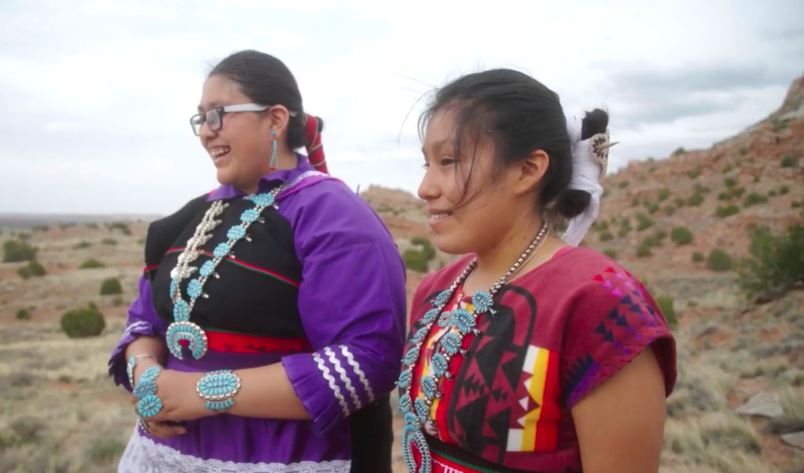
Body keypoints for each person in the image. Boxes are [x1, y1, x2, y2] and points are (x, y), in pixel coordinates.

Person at [108, 50, 406, 473]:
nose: (207, 133)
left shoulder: (332, 214)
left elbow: (366, 361)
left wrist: (204, 392)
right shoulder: (184, 220)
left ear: (276, 119)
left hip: (284, 456)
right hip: (163, 456)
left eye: (218, 114)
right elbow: (143, 322)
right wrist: (146, 375)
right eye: (200, 119)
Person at [397, 69, 677, 473]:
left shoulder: (600, 302)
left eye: (448, 161)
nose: (425, 187)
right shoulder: (437, 288)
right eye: (427, 163)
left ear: (528, 170)